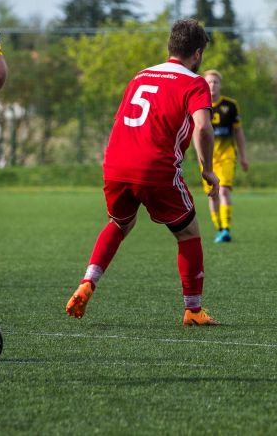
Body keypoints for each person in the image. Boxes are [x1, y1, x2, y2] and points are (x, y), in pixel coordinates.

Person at [65, 19, 222, 326]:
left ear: (170, 47)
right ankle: (193, 310)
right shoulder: (194, 82)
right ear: (198, 53)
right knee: (189, 232)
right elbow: (203, 127)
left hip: (115, 164)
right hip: (155, 169)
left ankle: (88, 281)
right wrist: (208, 170)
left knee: (120, 223)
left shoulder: (140, 76)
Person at [201, 69, 249, 243]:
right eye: (209, 82)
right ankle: (219, 229)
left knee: (223, 190)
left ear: (220, 85)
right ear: (204, 85)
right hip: (207, 159)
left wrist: (243, 156)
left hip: (227, 156)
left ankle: (226, 229)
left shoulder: (230, 105)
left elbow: (239, 133)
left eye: (215, 82)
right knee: (212, 194)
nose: (212, 85)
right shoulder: (199, 105)